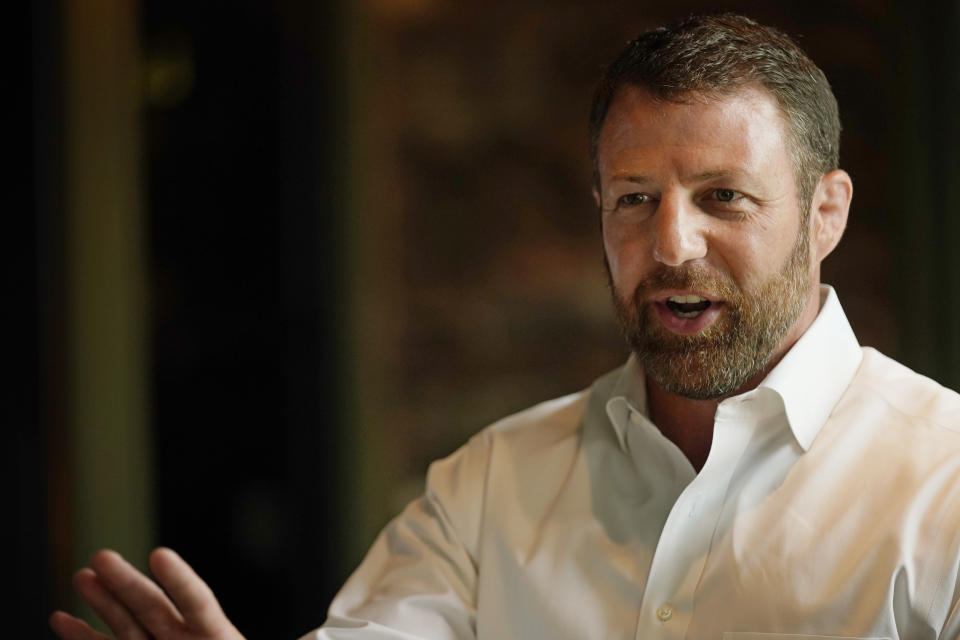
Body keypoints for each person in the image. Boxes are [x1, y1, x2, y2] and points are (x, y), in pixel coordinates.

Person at [50, 13, 960, 640]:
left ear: (825, 214)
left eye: (724, 198)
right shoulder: (494, 482)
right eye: (635, 200)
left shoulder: (944, 484)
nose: (672, 243)